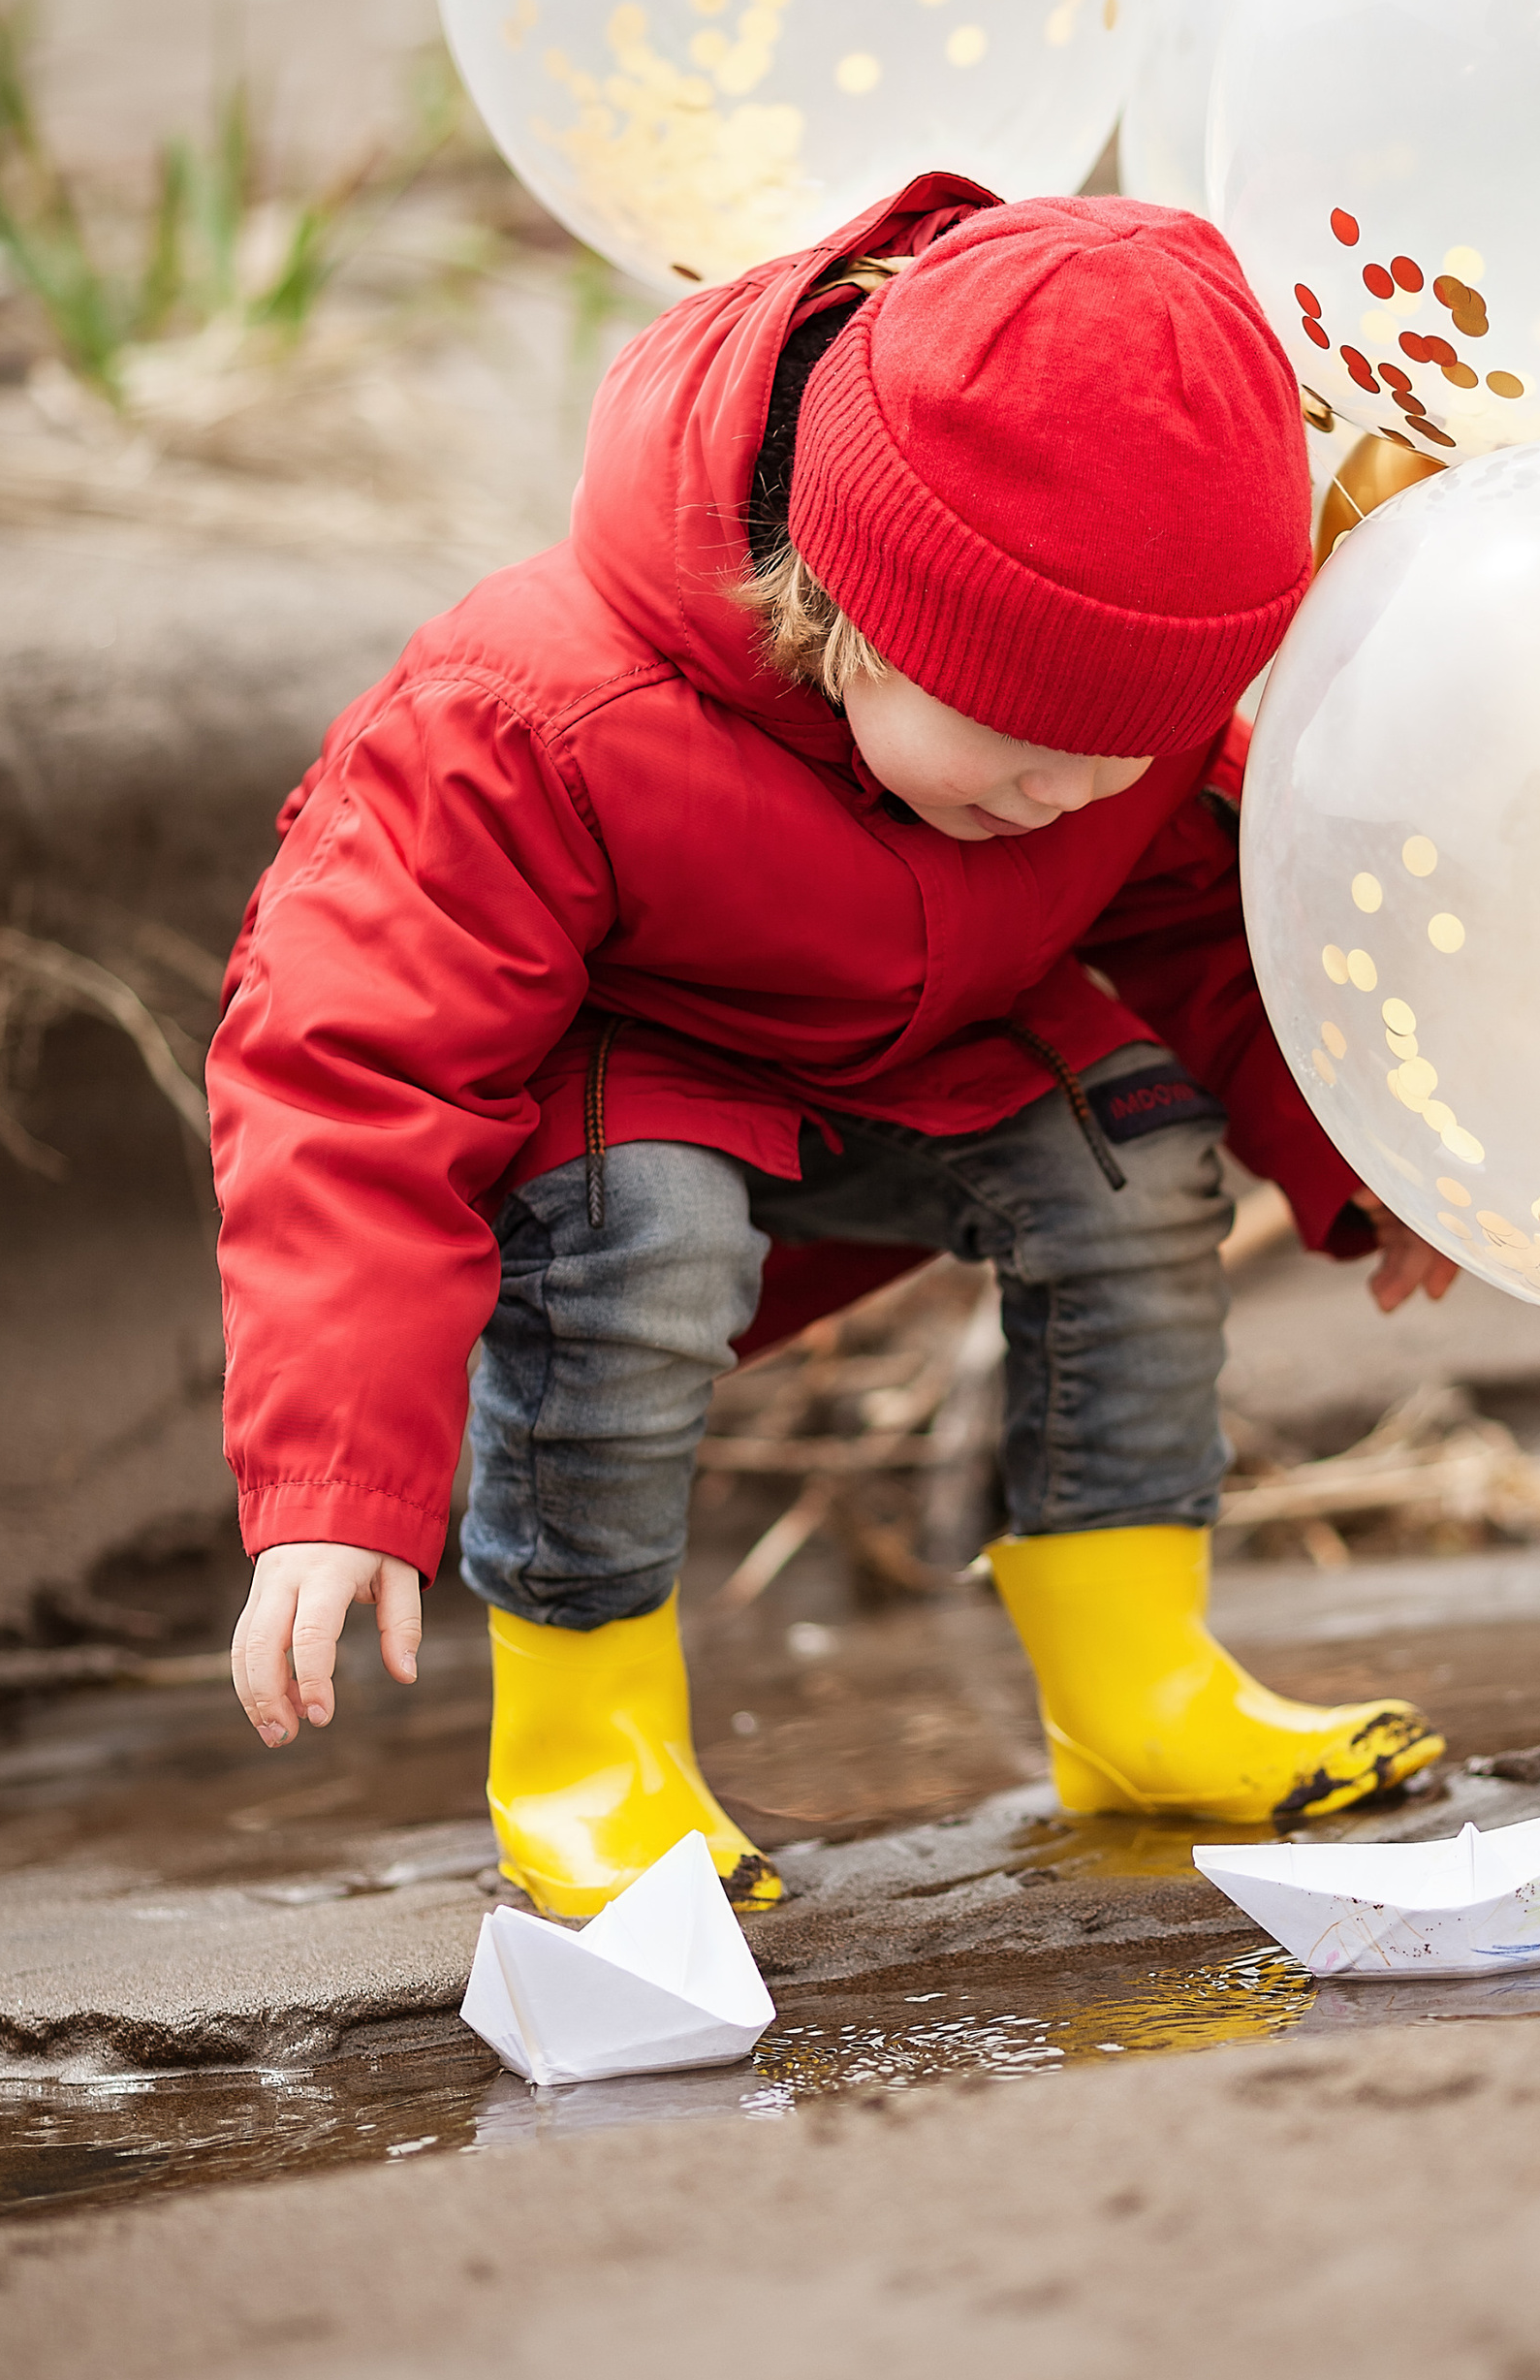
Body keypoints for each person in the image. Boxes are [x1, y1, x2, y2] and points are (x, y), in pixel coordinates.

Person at [214, 177, 1457, 1915]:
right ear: (856, 602)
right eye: (1034, 754)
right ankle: (592, 1756)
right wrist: (340, 1474)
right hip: (626, 1091)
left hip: (928, 1045)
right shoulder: (531, 719)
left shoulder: (1112, 725)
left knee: (1138, 1151)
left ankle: (1138, 1683)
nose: (1078, 797)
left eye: (1127, 757)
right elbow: (346, 1063)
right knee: (646, 1235)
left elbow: (1200, 911)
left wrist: (1360, 1162)